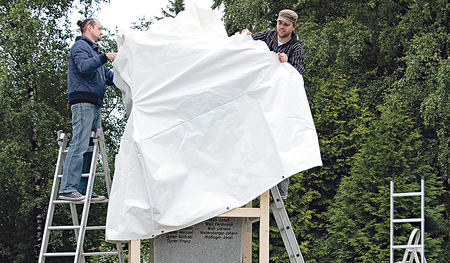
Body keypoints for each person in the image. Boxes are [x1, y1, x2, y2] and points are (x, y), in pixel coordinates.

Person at [242, 9, 305, 199]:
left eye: (285, 24)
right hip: (261, 98)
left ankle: (279, 192)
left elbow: (298, 76)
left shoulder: (296, 48)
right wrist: (245, 36)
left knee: (280, 142)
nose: (281, 26)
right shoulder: (268, 36)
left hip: (281, 104)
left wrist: (287, 64)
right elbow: (249, 41)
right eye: (279, 22)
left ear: (293, 27)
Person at [58, 18, 117, 201]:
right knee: (80, 143)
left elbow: (110, 77)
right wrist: (105, 57)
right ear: (89, 28)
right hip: (83, 102)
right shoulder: (80, 47)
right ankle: (68, 187)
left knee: (90, 147)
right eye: (99, 28)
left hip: (94, 103)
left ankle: (83, 190)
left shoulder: (94, 52)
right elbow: (84, 67)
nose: (102, 32)